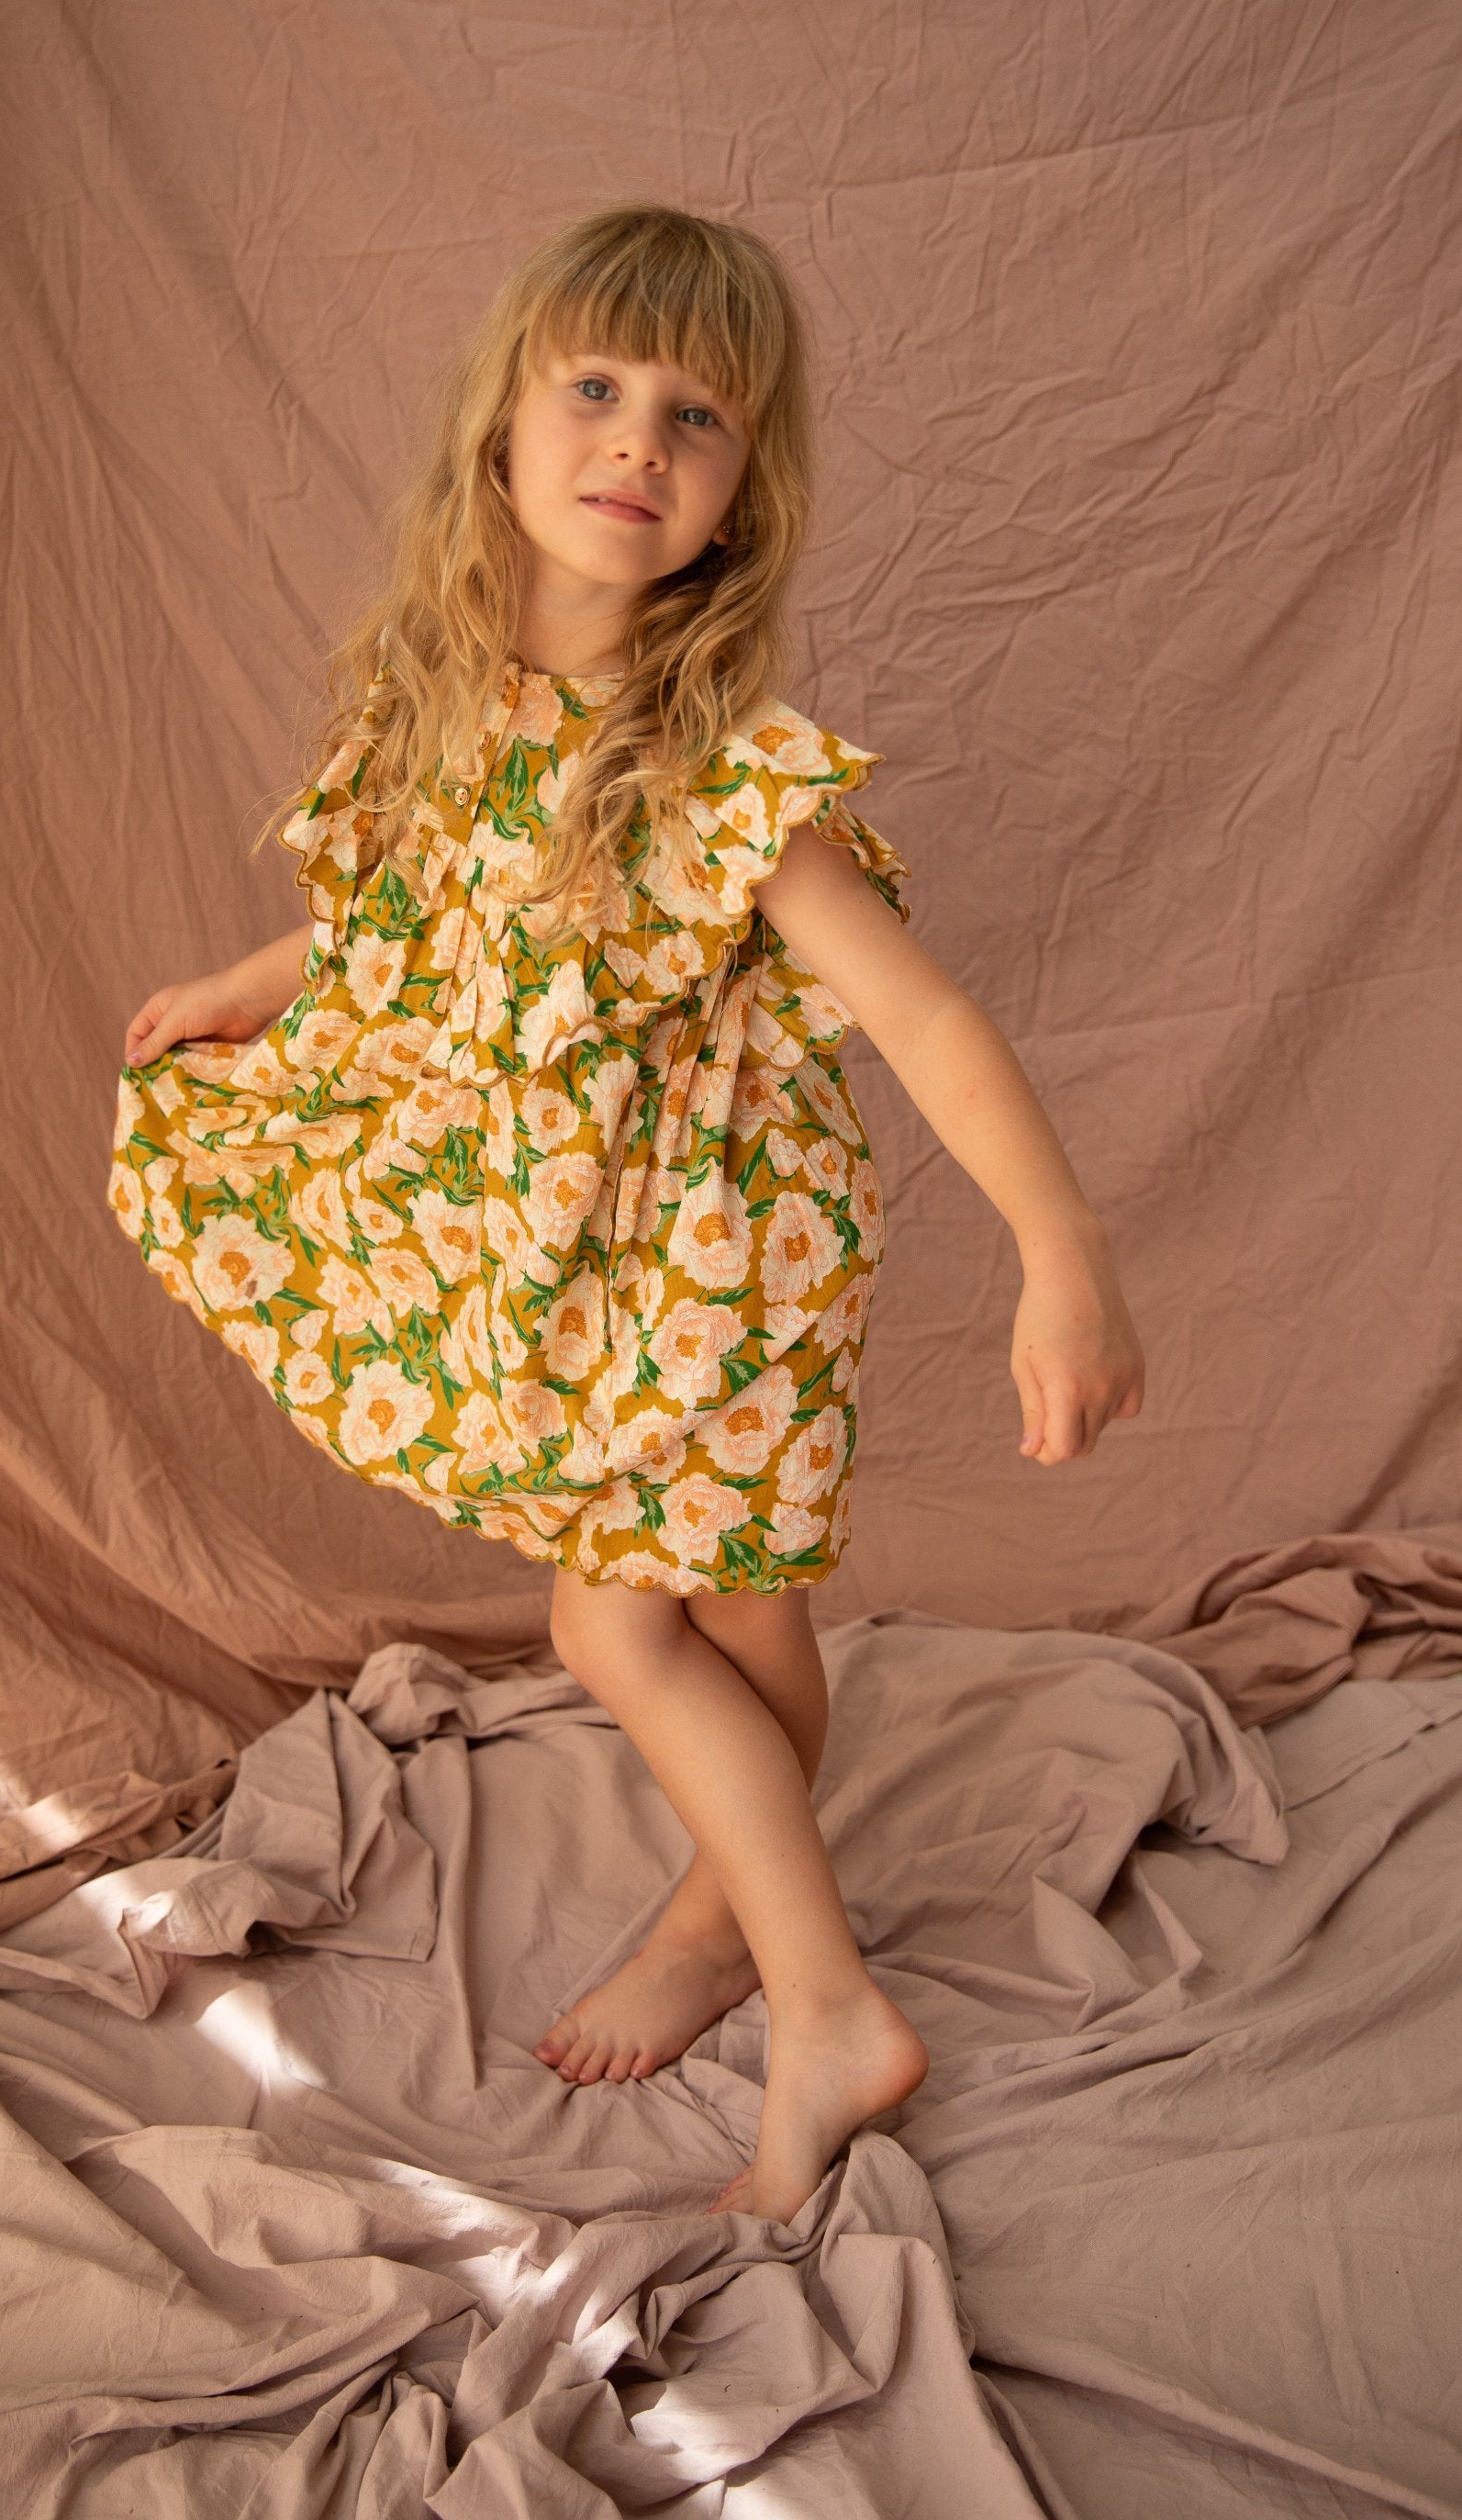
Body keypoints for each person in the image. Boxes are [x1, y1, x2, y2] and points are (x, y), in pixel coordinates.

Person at [111, 202, 1144, 2223]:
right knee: (735, 1626)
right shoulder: (449, 701)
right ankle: (722, 1918)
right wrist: (263, 984)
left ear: (736, 501)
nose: (636, 440)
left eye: (696, 416)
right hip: (579, 1263)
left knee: (617, 1620)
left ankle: (824, 2002)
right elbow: (402, 923)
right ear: (501, 427)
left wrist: (1061, 1254)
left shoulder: (718, 776)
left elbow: (923, 1023)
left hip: (722, 1270)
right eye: (594, 387)